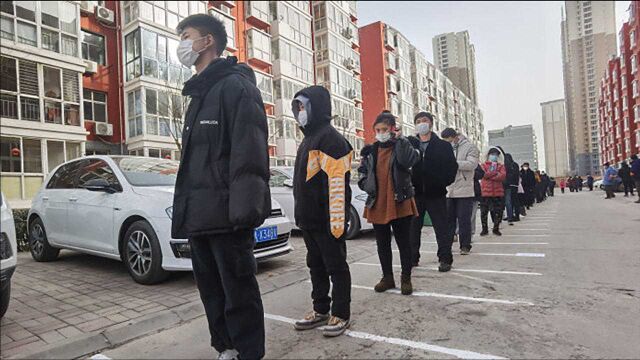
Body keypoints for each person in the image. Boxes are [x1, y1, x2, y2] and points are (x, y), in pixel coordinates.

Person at [171, 15, 270, 360]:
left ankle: (248, 353)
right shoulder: (199, 95)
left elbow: (250, 153)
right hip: (201, 215)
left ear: (208, 41)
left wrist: (243, 214)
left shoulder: (236, 87)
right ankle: (225, 348)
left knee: (238, 292)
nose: (182, 43)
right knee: (211, 292)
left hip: (228, 216)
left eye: (186, 36)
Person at [291, 86, 353, 337]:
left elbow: (337, 187)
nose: (300, 112)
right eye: (298, 108)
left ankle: (341, 313)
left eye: (304, 106)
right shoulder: (308, 140)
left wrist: (337, 223)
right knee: (315, 265)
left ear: (317, 107)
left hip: (327, 222)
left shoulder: (332, 140)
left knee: (336, 266)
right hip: (308, 220)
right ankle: (320, 309)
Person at [359, 111, 420, 295]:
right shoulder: (370, 151)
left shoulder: (403, 145)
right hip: (377, 202)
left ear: (393, 129)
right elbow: (362, 172)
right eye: (377, 129)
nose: (380, 132)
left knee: (404, 242)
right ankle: (387, 277)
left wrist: (400, 140)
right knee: (382, 243)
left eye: (384, 129)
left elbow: (407, 161)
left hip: (400, 200)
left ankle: (406, 278)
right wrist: (366, 185)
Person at [408, 112, 458, 272]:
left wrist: (442, 182)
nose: (421, 123)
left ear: (430, 124)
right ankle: (412, 258)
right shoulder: (410, 145)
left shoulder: (442, 145)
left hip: (436, 194)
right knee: (413, 228)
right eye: (418, 121)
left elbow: (452, 167)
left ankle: (445, 258)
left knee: (441, 228)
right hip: (415, 194)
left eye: (425, 121)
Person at [441, 128, 480, 255]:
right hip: (449, 189)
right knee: (448, 220)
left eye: (449, 140)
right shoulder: (445, 148)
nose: (448, 143)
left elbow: (472, 164)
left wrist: (453, 163)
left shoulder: (470, 147)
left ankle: (465, 245)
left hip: (464, 190)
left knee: (464, 219)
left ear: (455, 137)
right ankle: (448, 243)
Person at [480, 147, 507, 236]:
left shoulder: (501, 166)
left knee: (498, 211)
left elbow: (502, 176)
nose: (494, 156)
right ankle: (484, 229)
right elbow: (484, 175)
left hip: (497, 191)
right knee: (484, 211)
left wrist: (491, 175)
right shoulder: (483, 165)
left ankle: (496, 228)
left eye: (496, 155)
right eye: (492, 154)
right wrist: (495, 173)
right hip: (485, 192)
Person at [497, 147, 520, 225]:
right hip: (511, 185)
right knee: (510, 201)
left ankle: (503, 217)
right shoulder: (513, 165)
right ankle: (510, 217)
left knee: (504, 202)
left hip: (505, 185)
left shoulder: (504, 165)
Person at [472, 165, 486, 234]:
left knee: (472, 215)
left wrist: (471, 172)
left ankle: (470, 233)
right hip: (457, 193)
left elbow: (481, 174)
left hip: (475, 192)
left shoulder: (475, 164)